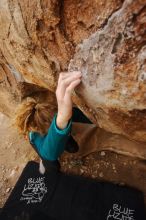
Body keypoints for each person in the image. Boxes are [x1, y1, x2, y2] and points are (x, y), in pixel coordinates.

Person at [15, 71, 85, 174]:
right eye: (50, 126)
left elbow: (75, 116)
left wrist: (62, 119)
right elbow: (49, 153)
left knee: (73, 148)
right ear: (39, 129)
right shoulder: (36, 139)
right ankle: (47, 165)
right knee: (52, 166)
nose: (53, 125)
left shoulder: (50, 115)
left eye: (54, 121)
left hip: (58, 137)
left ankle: (64, 144)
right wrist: (61, 121)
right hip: (45, 152)